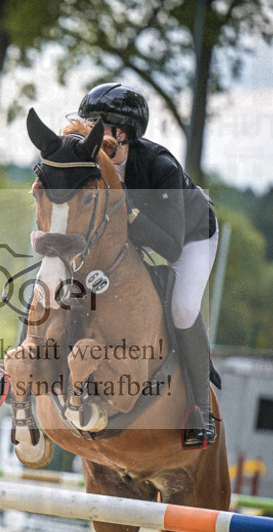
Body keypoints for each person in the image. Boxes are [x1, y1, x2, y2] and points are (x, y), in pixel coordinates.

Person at [77, 82, 219, 448]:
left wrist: (125, 208)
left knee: (183, 309)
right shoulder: (91, 159)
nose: (88, 134)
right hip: (135, 238)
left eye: (96, 126)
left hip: (190, 236)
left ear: (122, 134)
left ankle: (202, 412)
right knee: (60, 277)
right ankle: (17, 377)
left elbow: (170, 248)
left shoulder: (160, 166)